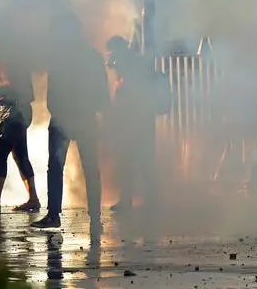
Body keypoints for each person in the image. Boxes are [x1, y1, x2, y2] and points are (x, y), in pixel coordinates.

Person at [31, 15, 108, 235]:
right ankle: (95, 218)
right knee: (91, 170)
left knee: (55, 168)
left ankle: (54, 215)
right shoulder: (92, 56)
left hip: (63, 120)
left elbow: (52, 94)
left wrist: (57, 113)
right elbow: (102, 92)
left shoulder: (59, 57)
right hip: (85, 120)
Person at [105, 35, 168, 215]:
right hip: (137, 120)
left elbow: (128, 91)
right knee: (135, 161)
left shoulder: (129, 65)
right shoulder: (133, 62)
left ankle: (147, 200)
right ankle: (139, 199)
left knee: (139, 161)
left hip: (136, 120)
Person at [0, 51, 40, 213]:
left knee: (0, 153)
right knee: (20, 155)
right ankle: (33, 199)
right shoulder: (5, 65)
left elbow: (19, 90)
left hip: (14, 113)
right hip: (9, 112)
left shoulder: (14, 66)